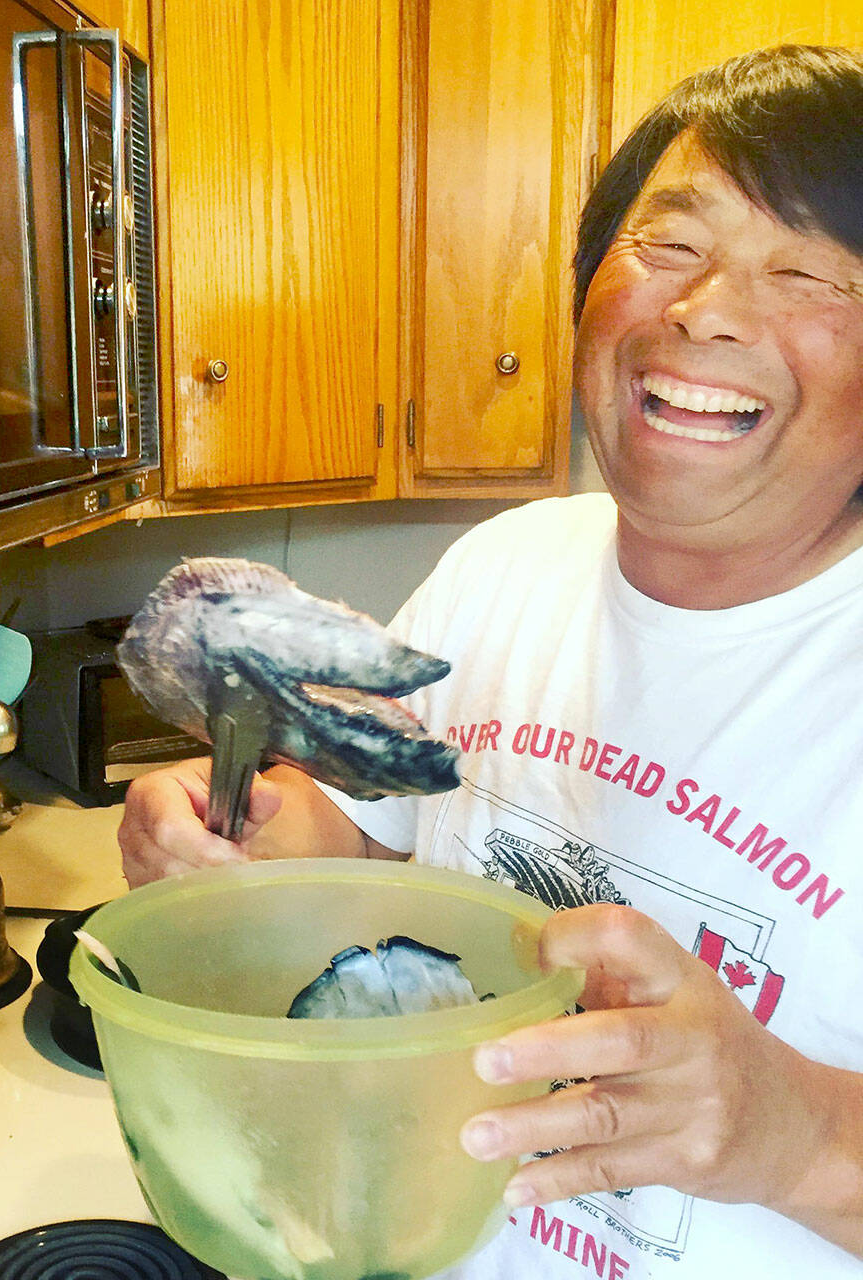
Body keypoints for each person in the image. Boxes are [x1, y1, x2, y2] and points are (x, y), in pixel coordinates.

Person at [117, 44, 863, 1277]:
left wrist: (786, 1133)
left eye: (809, 274)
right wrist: (236, 842)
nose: (704, 308)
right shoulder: (504, 565)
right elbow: (380, 857)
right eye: (668, 246)